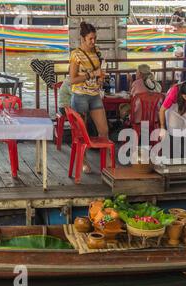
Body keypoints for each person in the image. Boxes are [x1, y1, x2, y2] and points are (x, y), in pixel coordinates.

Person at [69, 22, 109, 173]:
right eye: (90, 39)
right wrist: (93, 74)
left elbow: (99, 73)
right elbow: (72, 79)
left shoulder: (97, 52)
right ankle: (83, 160)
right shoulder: (75, 54)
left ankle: (107, 161)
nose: (93, 42)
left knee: (104, 130)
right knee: (81, 132)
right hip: (80, 95)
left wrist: (100, 79)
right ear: (82, 39)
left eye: (95, 38)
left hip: (94, 95)